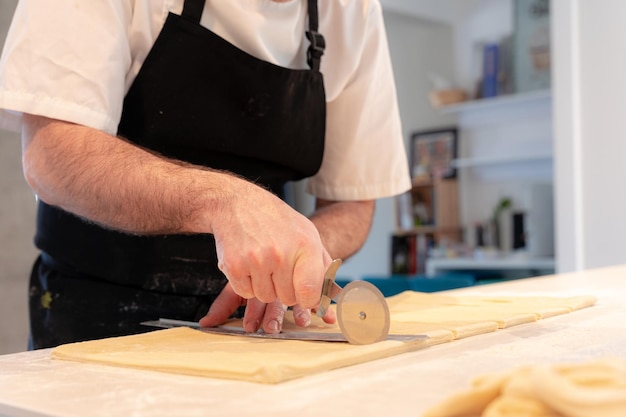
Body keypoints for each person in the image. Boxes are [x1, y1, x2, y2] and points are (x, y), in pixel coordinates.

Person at [0, 0, 411, 349]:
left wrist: (291, 262)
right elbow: (52, 154)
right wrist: (223, 201)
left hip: (257, 329)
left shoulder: (352, 9)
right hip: (95, 311)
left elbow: (352, 200)